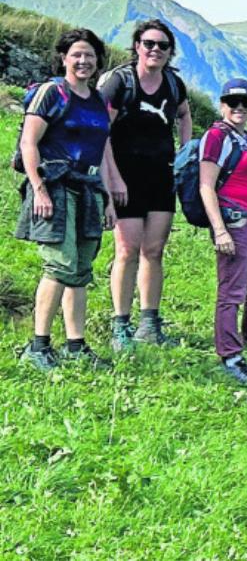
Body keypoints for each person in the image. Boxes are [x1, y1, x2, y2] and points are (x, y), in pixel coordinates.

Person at [14, 29, 119, 371]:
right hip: (56, 185)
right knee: (59, 264)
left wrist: (108, 199)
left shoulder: (98, 100)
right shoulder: (51, 93)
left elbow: (102, 151)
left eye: (90, 55)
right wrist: (39, 188)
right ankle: (37, 346)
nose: (84, 61)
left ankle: (76, 345)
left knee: (80, 269)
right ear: (64, 58)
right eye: (77, 54)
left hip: (89, 187)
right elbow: (29, 143)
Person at [99, 20, 191, 350]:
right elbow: (102, 133)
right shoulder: (118, 82)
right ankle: (120, 325)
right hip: (125, 178)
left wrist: (186, 153)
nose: (155, 50)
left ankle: (149, 323)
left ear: (170, 52)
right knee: (127, 250)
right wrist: (113, 180)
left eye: (162, 45)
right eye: (149, 43)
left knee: (154, 250)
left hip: (162, 177)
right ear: (137, 45)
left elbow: (184, 113)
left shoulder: (173, 83)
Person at [198, 79, 247, 383]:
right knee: (232, 291)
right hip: (234, 221)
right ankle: (230, 355)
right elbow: (206, 185)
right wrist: (220, 230)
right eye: (233, 103)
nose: (240, 108)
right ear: (222, 105)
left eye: (246, 103)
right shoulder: (216, 137)